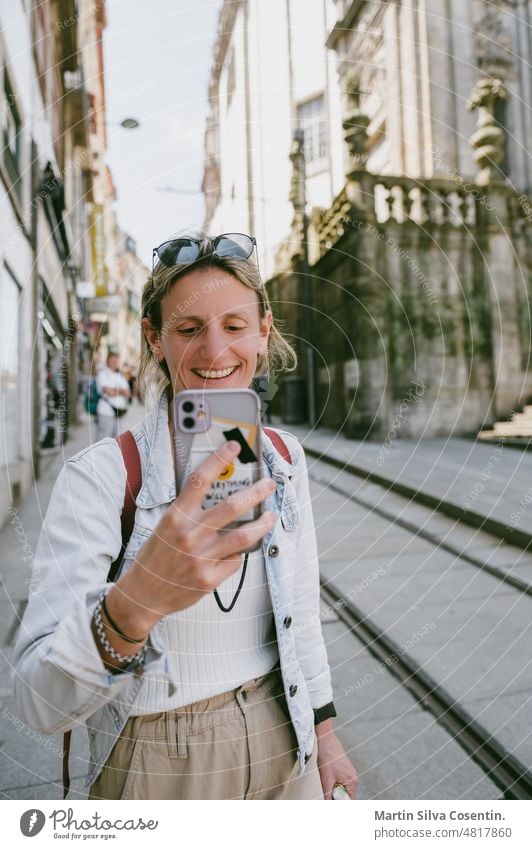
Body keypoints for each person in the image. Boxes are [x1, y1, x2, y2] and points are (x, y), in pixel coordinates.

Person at [12, 232, 358, 800]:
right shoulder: (101, 477)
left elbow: (299, 609)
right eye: (189, 328)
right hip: (156, 759)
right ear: (155, 337)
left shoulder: (285, 457)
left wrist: (324, 732)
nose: (216, 352)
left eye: (235, 326)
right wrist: (133, 604)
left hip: (280, 734)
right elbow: (38, 701)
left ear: (264, 329)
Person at [95, 351, 131, 439]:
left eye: (116, 360)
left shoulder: (120, 375)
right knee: (103, 440)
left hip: (119, 413)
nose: (115, 362)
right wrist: (121, 391)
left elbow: (128, 393)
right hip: (106, 412)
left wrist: (115, 390)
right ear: (108, 360)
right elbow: (109, 392)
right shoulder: (103, 374)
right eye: (113, 360)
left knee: (117, 441)